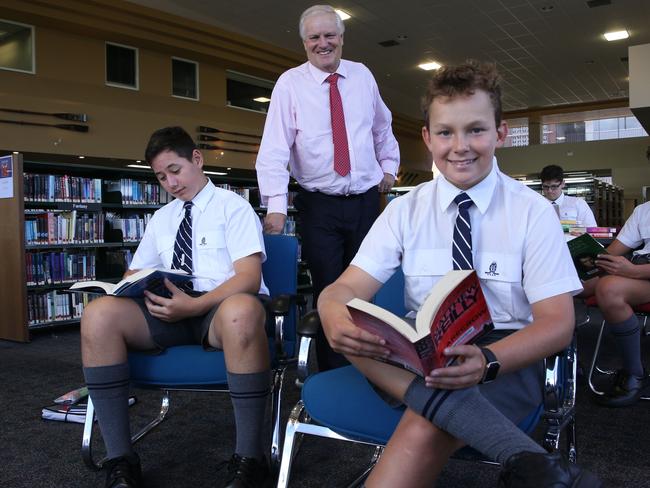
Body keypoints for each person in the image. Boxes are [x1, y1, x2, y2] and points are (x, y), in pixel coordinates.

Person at [318, 61, 600, 487]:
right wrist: (329, 311)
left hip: (503, 358)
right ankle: (531, 462)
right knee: (353, 334)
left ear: (500, 133)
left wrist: (487, 361)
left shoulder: (533, 213)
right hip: (422, 354)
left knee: (423, 426)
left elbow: (558, 325)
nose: (460, 146)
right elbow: (346, 287)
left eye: (476, 130)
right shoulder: (404, 210)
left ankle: (504, 446)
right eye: (446, 132)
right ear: (428, 137)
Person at [80, 127, 272, 488]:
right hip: (170, 309)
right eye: (161, 176)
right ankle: (121, 459)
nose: (170, 182)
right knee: (98, 314)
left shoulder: (234, 207)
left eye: (175, 169)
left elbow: (248, 277)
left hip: (219, 310)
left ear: (197, 159)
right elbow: (135, 270)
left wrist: (196, 305)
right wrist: (126, 286)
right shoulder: (162, 218)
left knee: (241, 312)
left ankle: (250, 458)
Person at [255, 4, 400, 371]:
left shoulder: (363, 76)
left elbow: (383, 127)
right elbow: (274, 149)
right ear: (305, 43)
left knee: (372, 286)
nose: (323, 43)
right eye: (315, 37)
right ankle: (334, 372)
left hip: (366, 202)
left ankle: (377, 369)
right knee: (329, 289)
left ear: (341, 38)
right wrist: (275, 206)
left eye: (329, 35)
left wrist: (390, 168)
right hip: (318, 206)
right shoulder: (290, 84)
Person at [586, 202, 650, 407]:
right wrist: (584, 262)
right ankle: (560, 360)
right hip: (640, 269)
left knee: (609, 289)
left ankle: (635, 373)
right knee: (571, 285)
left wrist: (634, 272)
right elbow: (613, 252)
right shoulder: (644, 210)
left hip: (640, 272)